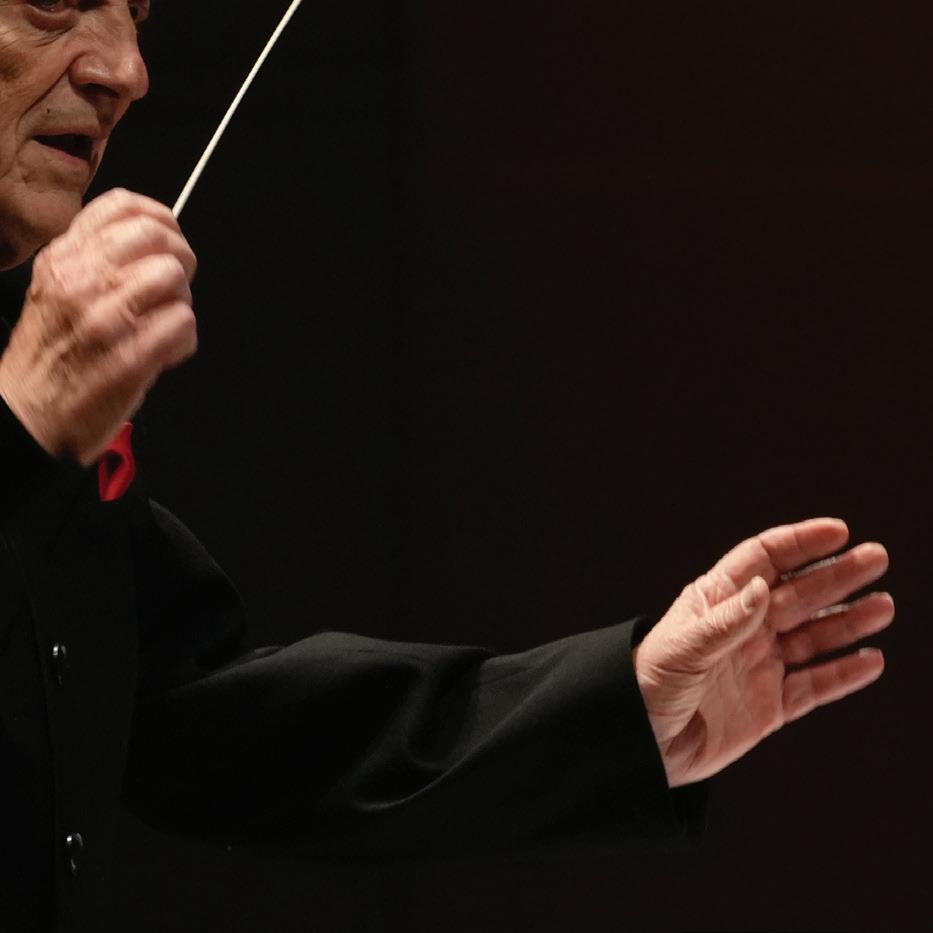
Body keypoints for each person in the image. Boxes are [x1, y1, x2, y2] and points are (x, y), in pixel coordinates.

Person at [0, 2, 895, 930]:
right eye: (55, 3)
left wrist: (622, 707)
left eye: (136, 14)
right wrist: (23, 426)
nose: (126, 70)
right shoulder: (29, 385)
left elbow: (203, 720)